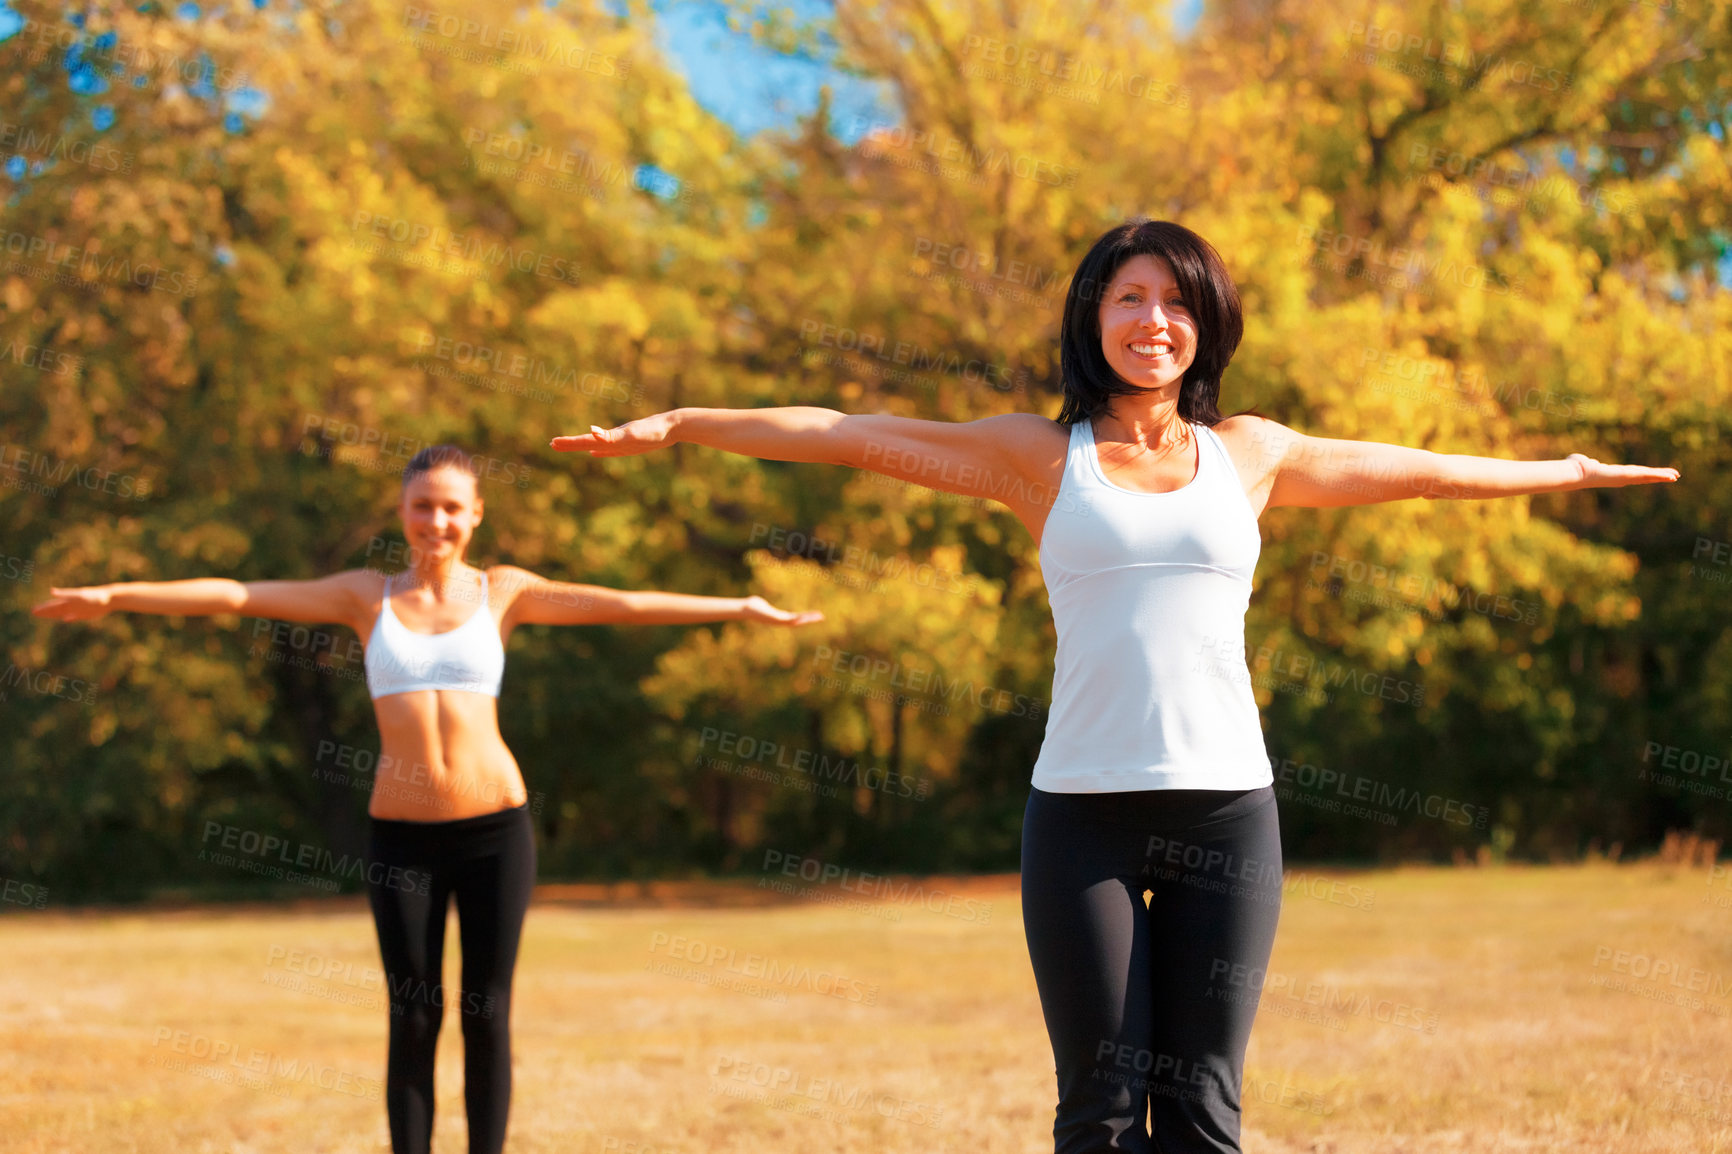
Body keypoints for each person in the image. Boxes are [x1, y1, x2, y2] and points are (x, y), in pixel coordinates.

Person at [549, 218, 1679, 1154]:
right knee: (1096, 1116)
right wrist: (682, 425)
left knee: (1201, 1114)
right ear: (1094, 319)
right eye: (1129, 298)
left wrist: (1568, 469)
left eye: (1176, 301)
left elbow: (1425, 475)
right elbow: (855, 436)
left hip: (1228, 810)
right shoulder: (1037, 458)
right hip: (1080, 813)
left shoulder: (1252, 453)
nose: (1154, 321)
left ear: (1206, 323)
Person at [31, 443, 822, 1154]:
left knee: (486, 1011)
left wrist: (740, 607)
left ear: (475, 516)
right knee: (412, 1016)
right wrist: (119, 594)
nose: (435, 520)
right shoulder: (363, 597)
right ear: (401, 513)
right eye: (421, 505)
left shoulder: (504, 592)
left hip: (495, 833)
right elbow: (240, 594)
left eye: (451, 507)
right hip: (401, 839)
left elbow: (623, 602)